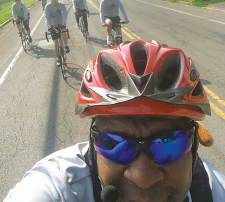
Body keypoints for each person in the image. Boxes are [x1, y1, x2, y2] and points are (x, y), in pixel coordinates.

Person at [3, 40, 225, 202]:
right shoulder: (59, 187)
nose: (142, 178)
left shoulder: (213, 190)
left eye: (170, 142)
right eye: (114, 144)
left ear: (195, 148)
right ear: (94, 149)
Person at [44, 0, 70, 66]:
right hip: (53, 25)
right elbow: (47, 17)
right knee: (55, 42)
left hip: (61, 23)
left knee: (63, 32)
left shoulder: (61, 5)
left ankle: (66, 45)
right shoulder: (47, 7)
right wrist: (49, 26)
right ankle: (58, 58)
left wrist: (63, 24)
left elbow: (64, 15)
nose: (54, 0)